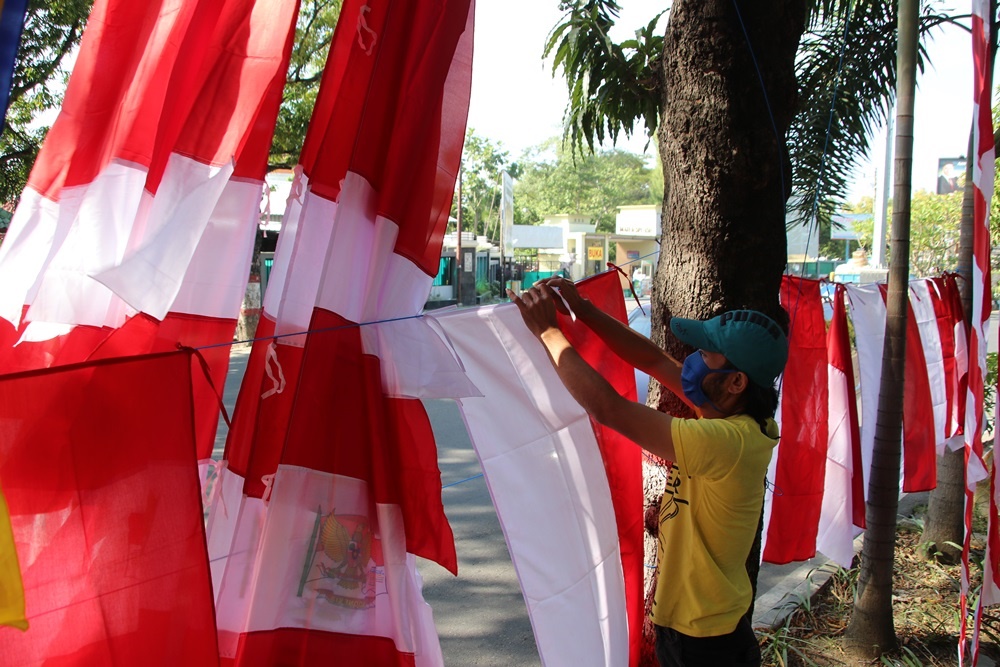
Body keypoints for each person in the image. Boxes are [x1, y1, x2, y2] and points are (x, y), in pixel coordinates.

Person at [507, 277, 788, 667]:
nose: (692, 360)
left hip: (704, 641)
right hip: (703, 625)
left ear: (736, 381)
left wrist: (549, 332)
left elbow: (610, 409)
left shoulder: (727, 441)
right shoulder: (735, 415)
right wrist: (585, 311)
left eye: (707, 355)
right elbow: (654, 361)